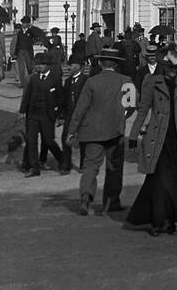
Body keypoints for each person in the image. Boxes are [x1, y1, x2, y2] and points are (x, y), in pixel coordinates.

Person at [127, 44, 177, 236]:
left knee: (176, 183)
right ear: (163, 67)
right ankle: (158, 221)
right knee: (159, 182)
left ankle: (171, 222)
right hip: (157, 138)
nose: (172, 72)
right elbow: (143, 109)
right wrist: (134, 135)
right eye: (169, 68)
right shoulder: (151, 81)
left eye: (176, 68)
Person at [66, 47, 130, 215]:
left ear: (100, 63)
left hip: (92, 130)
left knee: (90, 165)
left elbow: (80, 109)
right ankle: (111, 202)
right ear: (116, 65)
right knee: (114, 167)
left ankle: (86, 195)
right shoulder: (126, 81)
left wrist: (72, 131)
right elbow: (130, 107)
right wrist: (119, 115)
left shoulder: (91, 82)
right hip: (116, 130)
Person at [19, 48, 67, 176]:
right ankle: (35, 167)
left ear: (47, 66)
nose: (38, 67)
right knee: (31, 140)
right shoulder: (34, 79)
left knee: (49, 140)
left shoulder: (54, 79)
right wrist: (22, 111)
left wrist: (60, 114)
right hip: (34, 114)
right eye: (37, 64)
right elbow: (27, 96)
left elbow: (61, 98)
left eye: (41, 65)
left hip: (47, 115)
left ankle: (62, 160)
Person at [61, 57, 90, 173]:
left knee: (83, 139)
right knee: (65, 138)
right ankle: (66, 165)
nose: (70, 68)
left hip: (82, 114)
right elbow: (64, 99)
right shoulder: (68, 81)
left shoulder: (86, 80)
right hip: (69, 113)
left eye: (73, 65)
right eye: (70, 65)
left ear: (79, 66)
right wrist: (62, 115)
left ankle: (83, 164)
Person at [11, 20, 36, 87]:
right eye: (23, 23)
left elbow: (34, 41)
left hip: (28, 51)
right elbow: (17, 43)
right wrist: (16, 53)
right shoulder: (20, 33)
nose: (23, 24)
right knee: (21, 67)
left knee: (29, 67)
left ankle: (30, 82)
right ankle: (22, 83)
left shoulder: (31, 32)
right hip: (20, 51)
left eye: (25, 23)